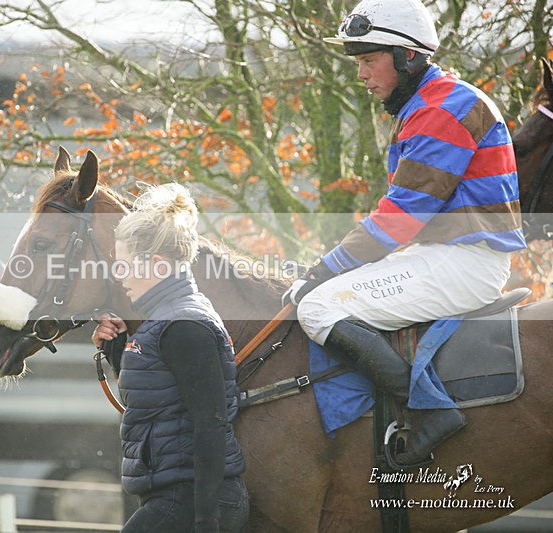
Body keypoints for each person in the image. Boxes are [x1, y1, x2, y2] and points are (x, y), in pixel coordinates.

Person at [285, 0, 526, 467]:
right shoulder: (428, 104)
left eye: (369, 60)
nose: (362, 75)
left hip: (463, 263)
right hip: (444, 258)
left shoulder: (444, 108)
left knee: (317, 306)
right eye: (359, 62)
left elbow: (399, 219)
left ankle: (429, 413)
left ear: (408, 56)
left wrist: (321, 271)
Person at [92, 183, 248, 532]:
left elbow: (212, 423)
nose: (119, 276)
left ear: (159, 266)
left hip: (194, 501)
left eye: (125, 266)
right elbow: (155, 403)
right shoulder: (162, 321)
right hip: (175, 496)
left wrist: (206, 521)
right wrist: (117, 347)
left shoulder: (184, 325)